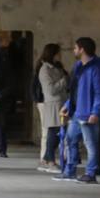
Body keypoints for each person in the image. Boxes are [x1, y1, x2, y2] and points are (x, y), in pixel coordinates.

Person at [59, 37, 100, 184]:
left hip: (87, 113)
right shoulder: (78, 66)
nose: (74, 50)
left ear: (82, 49)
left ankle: (90, 173)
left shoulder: (97, 68)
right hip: (76, 111)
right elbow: (74, 90)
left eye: (75, 48)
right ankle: (70, 171)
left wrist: (96, 112)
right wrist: (68, 105)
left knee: (91, 144)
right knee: (70, 139)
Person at [35, 43, 70, 171]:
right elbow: (50, 89)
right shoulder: (45, 69)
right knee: (53, 133)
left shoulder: (56, 67)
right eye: (58, 53)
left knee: (57, 132)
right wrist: (64, 80)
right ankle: (49, 161)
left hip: (61, 103)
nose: (60, 55)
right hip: (53, 103)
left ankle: (46, 159)